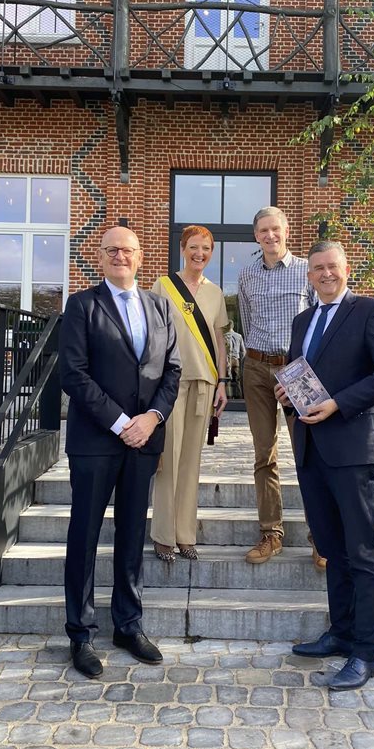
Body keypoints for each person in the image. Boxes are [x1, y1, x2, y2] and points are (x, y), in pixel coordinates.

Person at [276, 240, 374, 691]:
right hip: (311, 447)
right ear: (308, 276)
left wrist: (337, 404)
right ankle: (340, 631)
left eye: (332, 266)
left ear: (346, 268)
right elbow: (304, 375)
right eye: (317, 269)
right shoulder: (302, 320)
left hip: (352, 450)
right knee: (332, 547)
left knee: (362, 551)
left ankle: (364, 654)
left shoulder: (371, 311)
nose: (325, 274)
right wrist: (288, 396)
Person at [59, 226, 181, 677]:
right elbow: (73, 373)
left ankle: (128, 625)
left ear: (141, 256)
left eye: (127, 250)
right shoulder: (82, 305)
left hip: (145, 439)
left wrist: (151, 419)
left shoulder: (159, 305)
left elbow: (173, 369)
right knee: (85, 536)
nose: (119, 256)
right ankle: (81, 633)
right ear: (99, 256)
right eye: (111, 250)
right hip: (96, 440)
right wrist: (119, 421)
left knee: (132, 535)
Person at [237, 206, 319, 566]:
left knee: (310, 452)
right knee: (263, 454)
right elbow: (246, 319)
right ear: (256, 236)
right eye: (263, 231)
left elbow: (319, 323)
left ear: (287, 231)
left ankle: (322, 535)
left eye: (276, 229)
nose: (270, 236)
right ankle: (271, 533)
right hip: (256, 367)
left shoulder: (306, 271)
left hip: (297, 369)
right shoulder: (246, 275)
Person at [150, 225, 229, 561]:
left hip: (205, 384)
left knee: (191, 462)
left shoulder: (215, 293)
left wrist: (223, 382)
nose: (200, 254)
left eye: (206, 249)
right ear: (183, 248)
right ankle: (163, 535)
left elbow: (220, 341)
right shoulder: (164, 286)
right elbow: (154, 337)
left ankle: (185, 534)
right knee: (168, 460)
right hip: (171, 384)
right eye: (194, 247)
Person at [224, 322, 246, 399]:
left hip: (227, 360)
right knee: (237, 380)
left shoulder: (224, 336)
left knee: (228, 380)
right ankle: (239, 397)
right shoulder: (239, 336)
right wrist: (241, 360)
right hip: (236, 360)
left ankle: (229, 397)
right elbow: (243, 351)